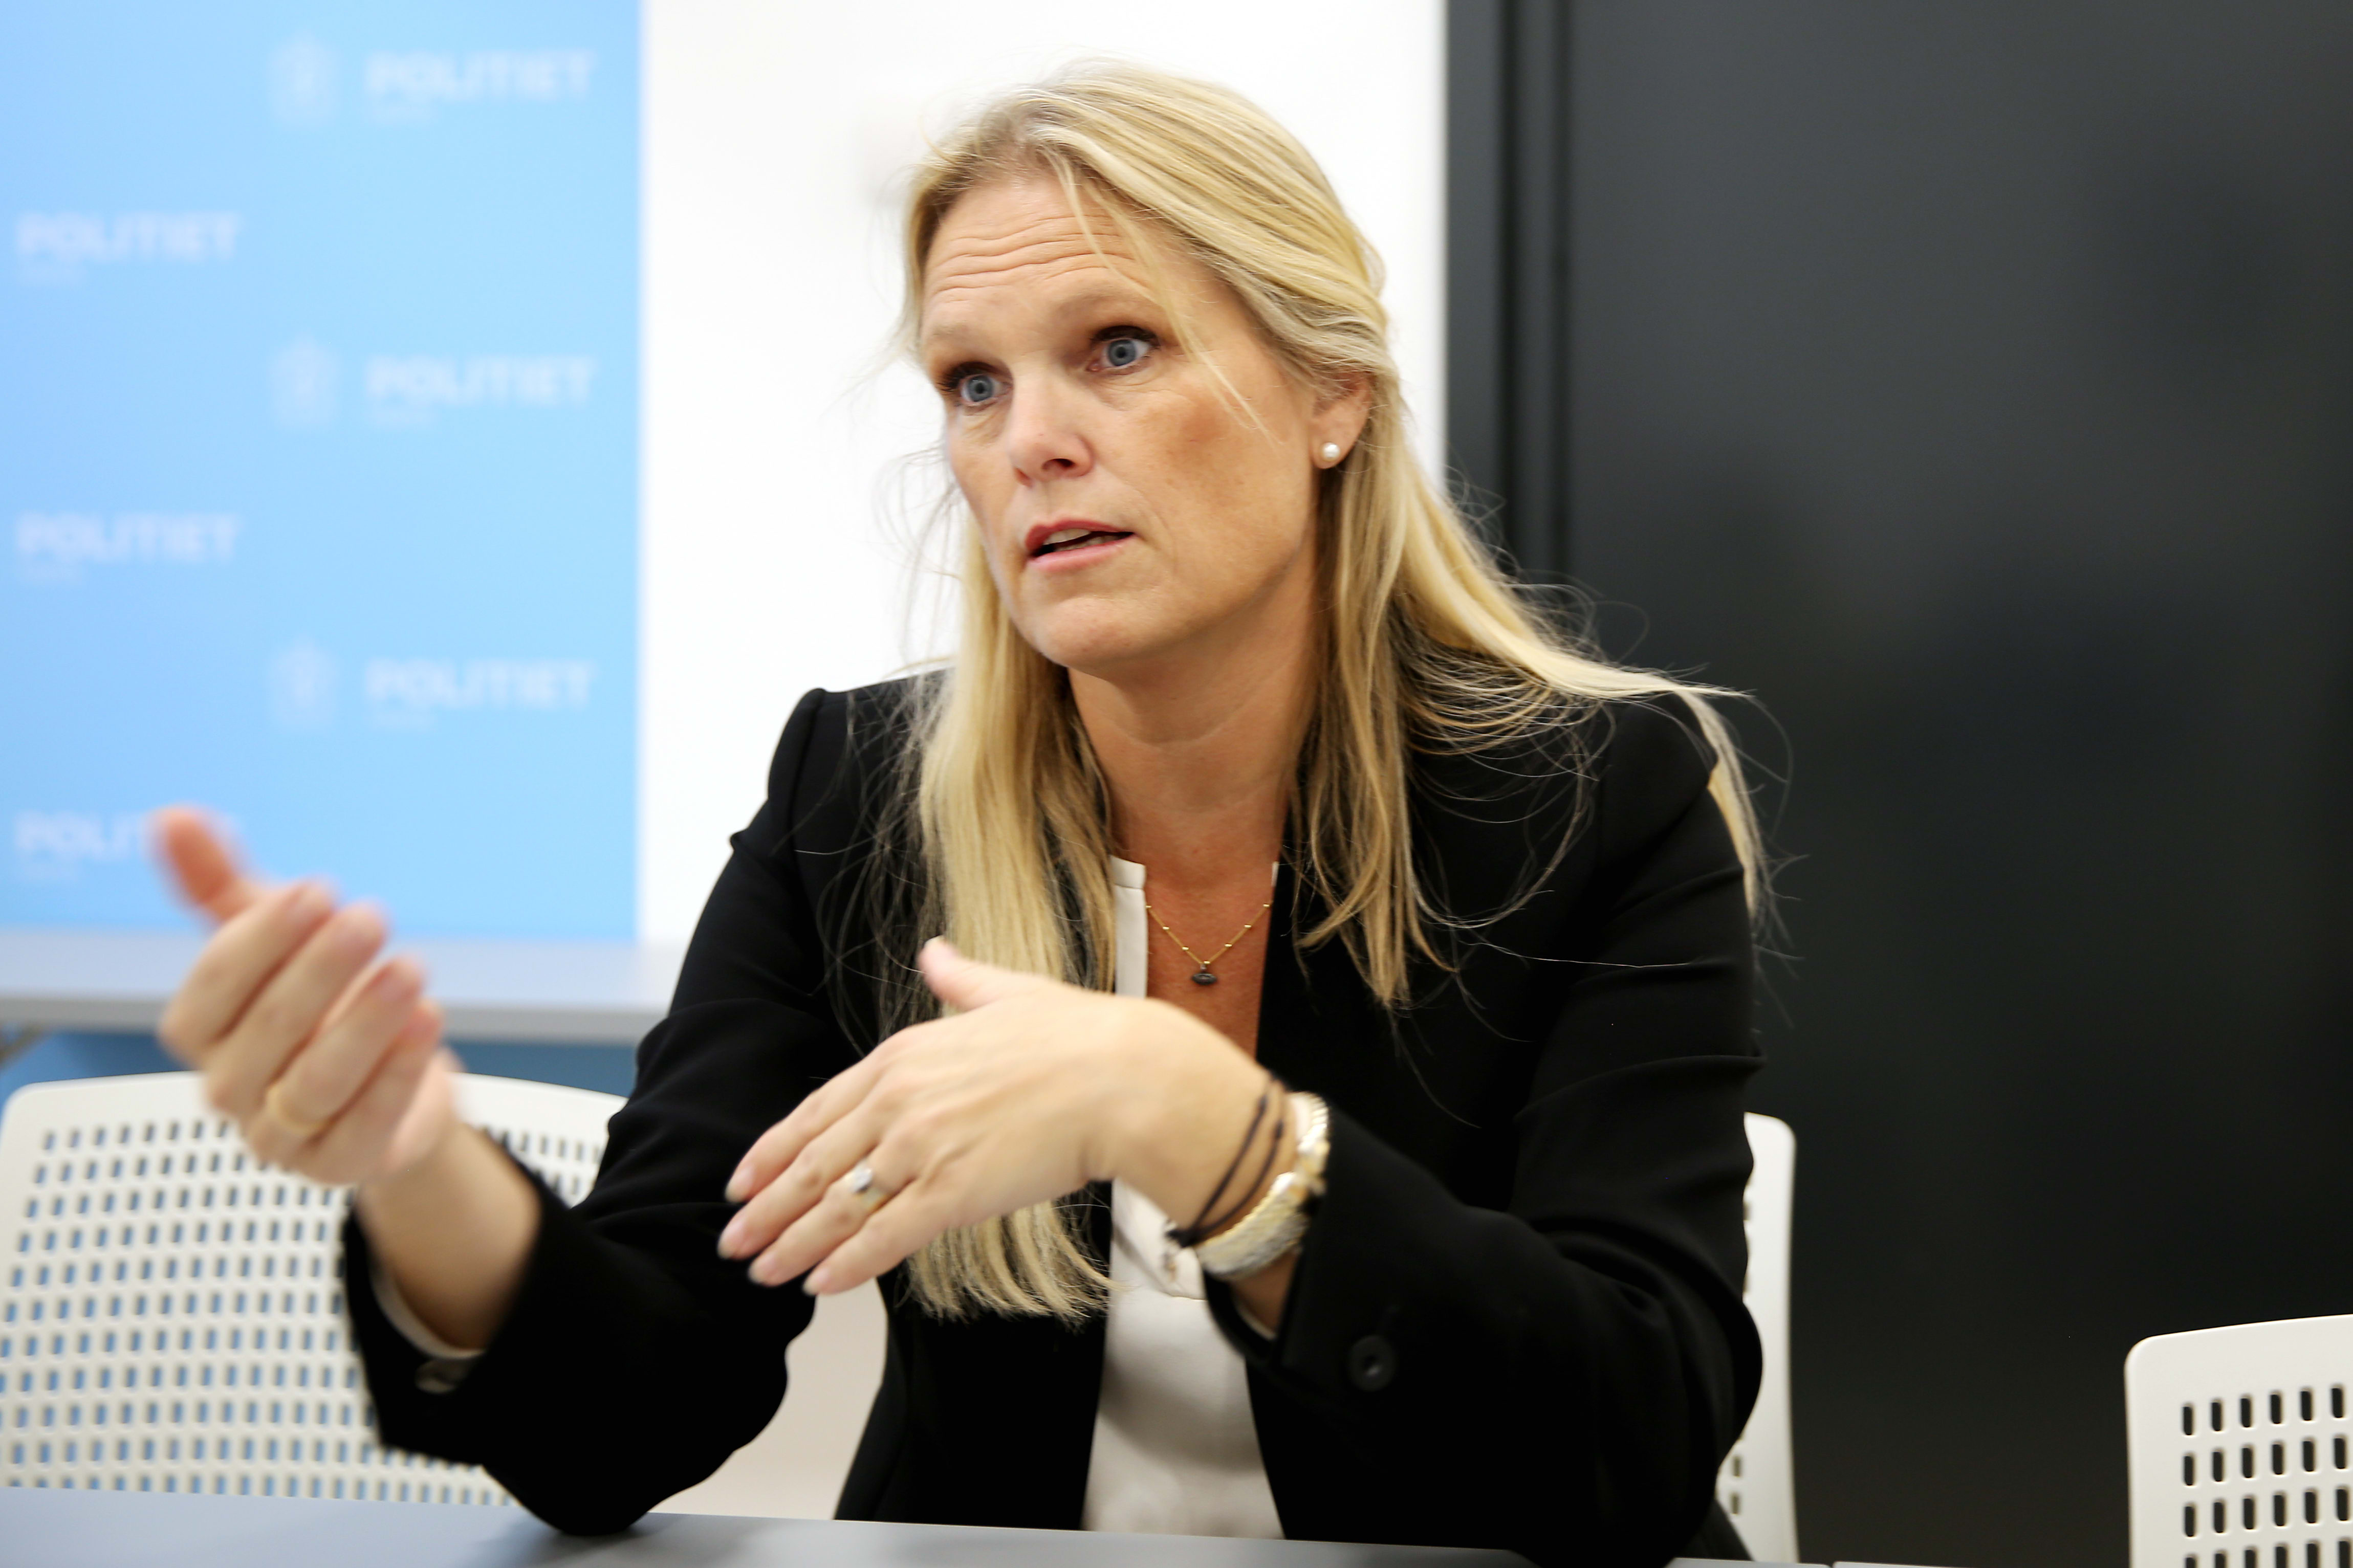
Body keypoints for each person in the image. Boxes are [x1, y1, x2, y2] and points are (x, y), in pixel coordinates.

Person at [151, 63, 1766, 1568]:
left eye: (1118, 349)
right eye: (973, 384)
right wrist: (416, 1160)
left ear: (1330, 389)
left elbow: (1631, 1434)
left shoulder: (1596, 801)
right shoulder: (861, 800)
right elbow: (629, 1407)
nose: (1031, 442)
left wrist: (1189, 1118)